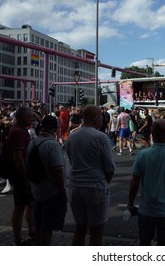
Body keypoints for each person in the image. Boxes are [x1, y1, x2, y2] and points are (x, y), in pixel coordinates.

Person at [127, 119, 165, 245]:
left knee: (144, 242)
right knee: (164, 244)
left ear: (152, 133)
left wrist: (130, 203)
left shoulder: (142, 155)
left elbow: (134, 183)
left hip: (146, 209)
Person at [66, 105, 115, 246]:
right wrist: (105, 182)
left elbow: (71, 158)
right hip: (96, 187)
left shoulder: (72, 136)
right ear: (95, 117)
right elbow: (110, 167)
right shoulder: (101, 137)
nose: (102, 118)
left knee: (80, 229)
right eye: (100, 116)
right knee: (96, 232)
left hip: (75, 186)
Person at [27, 115, 67, 245]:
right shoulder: (52, 145)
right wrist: (62, 189)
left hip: (36, 188)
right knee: (47, 226)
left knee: (38, 222)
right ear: (55, 129)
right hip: (52, 191)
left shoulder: (32, 143)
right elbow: (58, 170)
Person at [7, 106, 36, 245]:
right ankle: (17, 238)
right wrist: (26, 178)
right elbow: (18, 158)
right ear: (23, 118)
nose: (32, 118)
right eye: (30, 116)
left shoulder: (20, 130)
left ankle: (32, 231)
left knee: (30, 203)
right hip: (20, 176)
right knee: (19, 207)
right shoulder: (17, 132)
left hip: (24, 174)